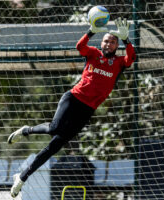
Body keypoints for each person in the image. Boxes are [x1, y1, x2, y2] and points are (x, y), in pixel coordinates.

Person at [7, 17, 136, 198]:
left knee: (55, 146)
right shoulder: (93, 53)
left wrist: (126, 40)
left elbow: (131, 59)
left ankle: (21, 178)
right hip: (73, 99)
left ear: (116, 46)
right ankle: (26, 130)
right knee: (54, 128)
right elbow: (79, 47)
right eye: (106, 40)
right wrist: (91, 31)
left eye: (113, 42)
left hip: (87, 109)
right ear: (102, 42)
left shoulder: (119, 63)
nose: (109, 44)